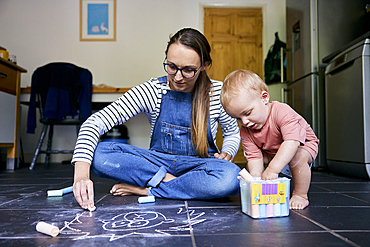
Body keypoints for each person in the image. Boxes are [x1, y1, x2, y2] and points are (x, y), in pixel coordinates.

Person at [72, 28, 242, 210]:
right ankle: (172, 184)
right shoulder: (152, 90)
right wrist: (81, 175)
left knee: (231, 177)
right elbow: (94, 122)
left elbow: (232, 133)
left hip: (199, 166)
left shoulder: (217, 92)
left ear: (204, 65)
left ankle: (150, 189)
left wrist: (228, 153)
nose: (178, 77)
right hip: (157, 164)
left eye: (188, 70)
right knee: (98, 154)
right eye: (172, 66)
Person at [220, 69, 319, 210]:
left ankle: (301, 195)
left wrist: (272, 169)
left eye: (247, 113)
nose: (245, 122)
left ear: (264, 98)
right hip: (272, 149)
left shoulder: (282, 112)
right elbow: (254, 158)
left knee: (297, 157)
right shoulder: (246, 129)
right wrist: (254, 181)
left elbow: (292, 142)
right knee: (257, 164)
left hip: (302, 144)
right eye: (238, 118)